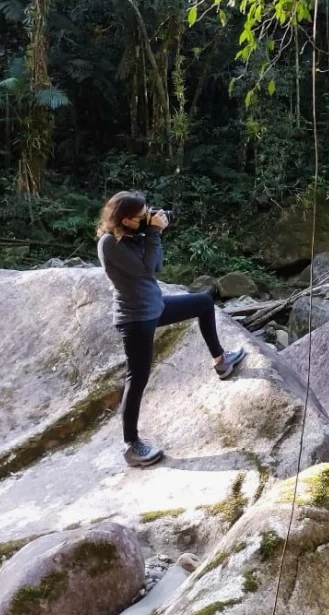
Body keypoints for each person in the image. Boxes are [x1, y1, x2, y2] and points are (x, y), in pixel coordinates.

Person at [97, 191, 246, 467]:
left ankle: (221, 361)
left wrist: (151, 232)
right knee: (137, 378)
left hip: (154, 307)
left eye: (148, 213)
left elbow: (157, 265)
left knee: (203, 302)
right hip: (136, 319)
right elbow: (145, 270)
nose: (147, 218)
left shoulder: (133, 236)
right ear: (125, 219)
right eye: (141, 216)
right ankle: (131, 445)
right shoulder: (109, 243)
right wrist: (153, 232)